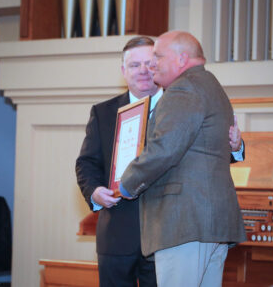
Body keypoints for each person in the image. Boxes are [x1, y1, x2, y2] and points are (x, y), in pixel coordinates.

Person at [76, 36, 244, 287]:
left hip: (170, 229)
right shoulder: (103, 112)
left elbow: (195, 152)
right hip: (119, 231)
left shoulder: (181, 95)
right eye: (135, 65)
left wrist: (237, 147)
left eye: (151, 60)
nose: (146, 68)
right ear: (123, 71)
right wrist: (95, 192)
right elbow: (87, 163)